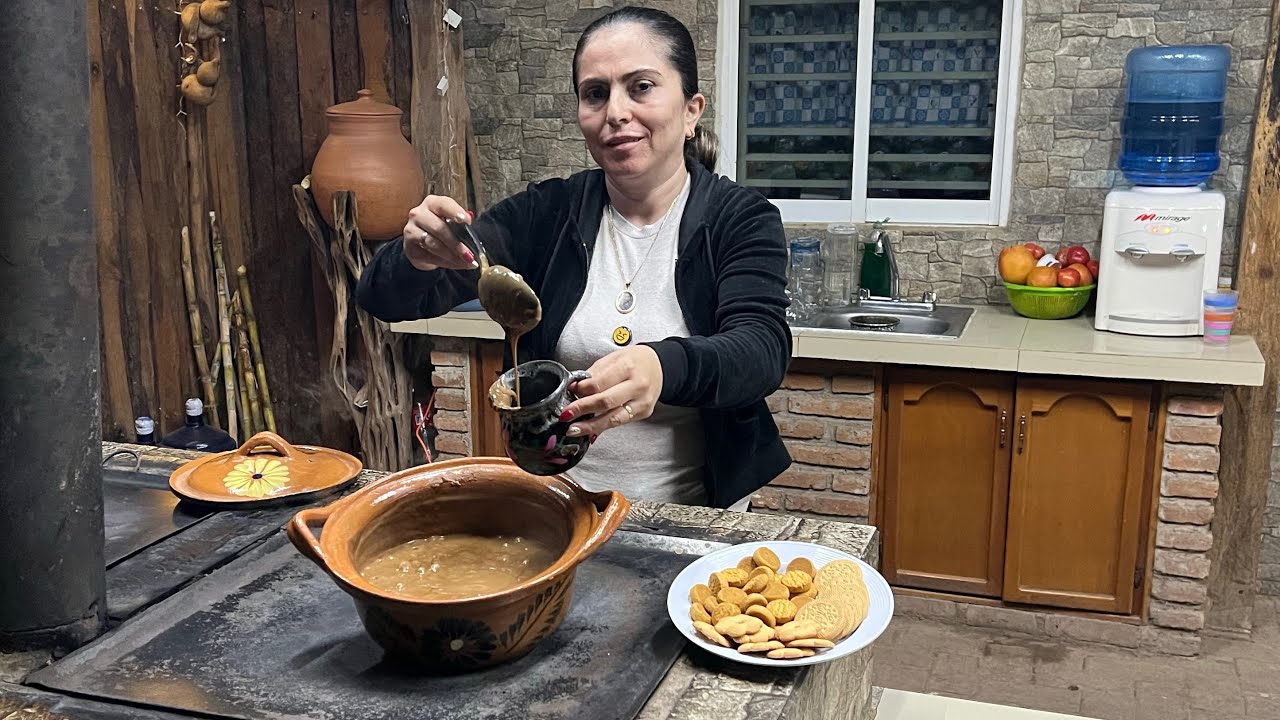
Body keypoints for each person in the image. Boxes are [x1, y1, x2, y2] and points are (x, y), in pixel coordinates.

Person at [356, 6, 791, 509]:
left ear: (692, 109)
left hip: (694, 517)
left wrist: (663, 365)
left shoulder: (739, 218)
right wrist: (417, 256)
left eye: (642, 86)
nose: (616, 112)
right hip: (560, 508)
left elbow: (761, 349)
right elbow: (385, 299)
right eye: (596, 93)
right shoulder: (547, 213)